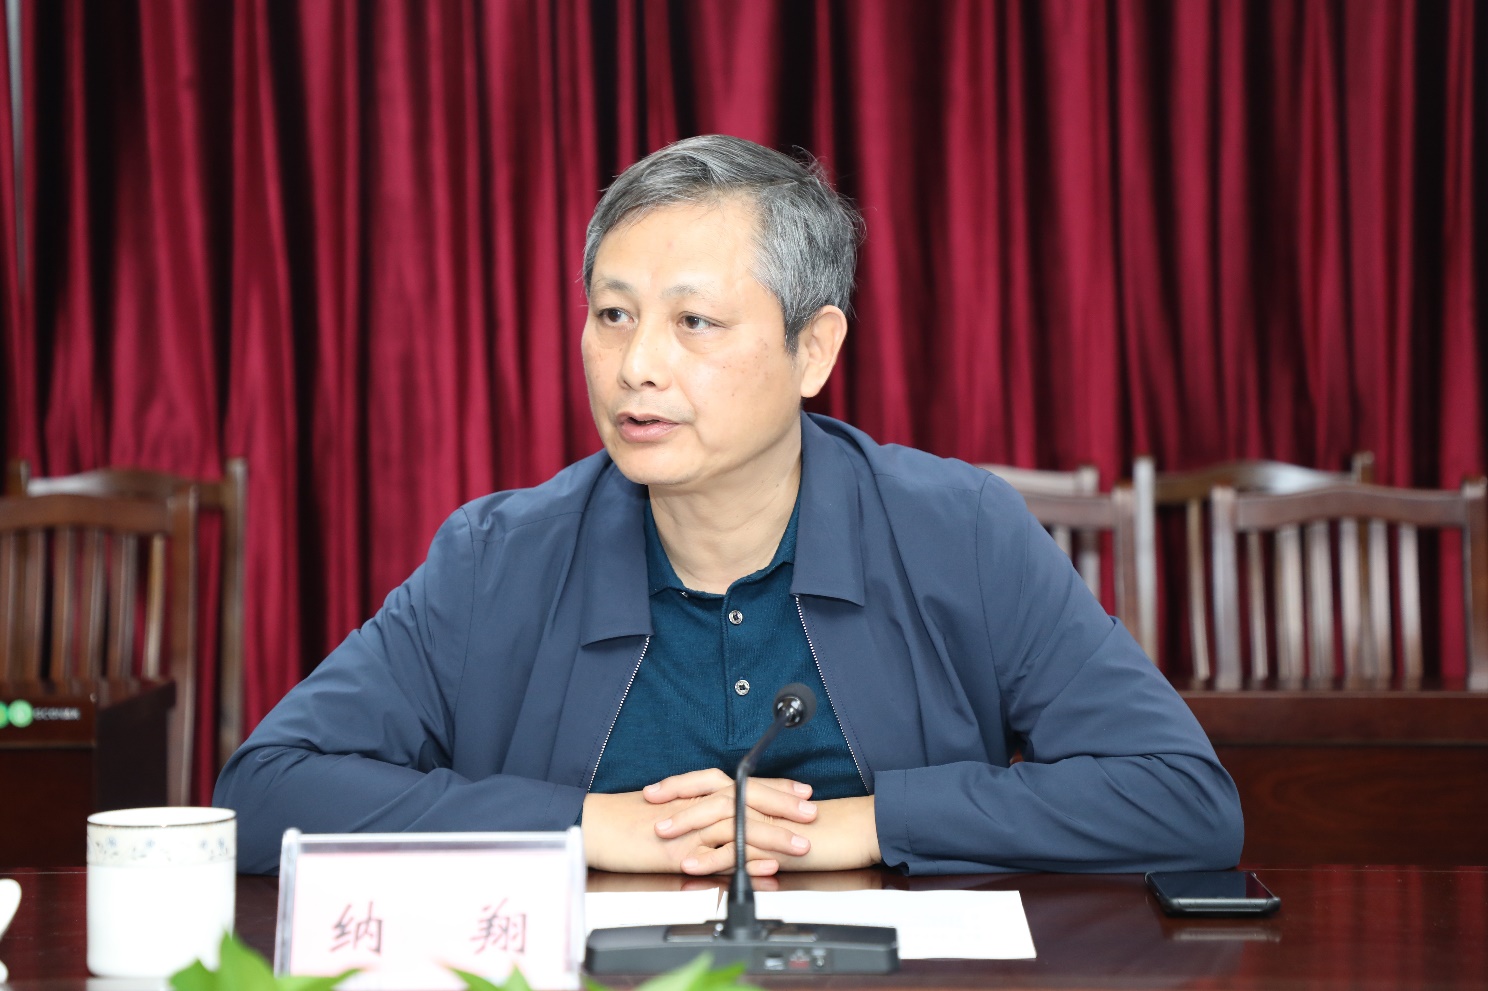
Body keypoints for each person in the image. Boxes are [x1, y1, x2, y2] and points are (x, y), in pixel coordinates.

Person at [215, 134, 1243, 877]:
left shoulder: (958, 529)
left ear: (815, 349)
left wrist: (867, 824)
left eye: (694, 322)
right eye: (612, 315)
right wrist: (587, 826)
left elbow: (1183, 799)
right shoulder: (499, 557)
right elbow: (262, 795)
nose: (637, 365)